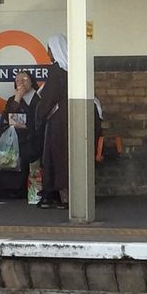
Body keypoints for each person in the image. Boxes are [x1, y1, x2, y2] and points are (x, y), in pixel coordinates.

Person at [35, 34, 102, 210]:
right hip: (72, 120)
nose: (48, 54)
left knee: (57, 157)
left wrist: (39, 114)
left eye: (49, 50)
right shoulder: (74, 70)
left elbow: (48, 98)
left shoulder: (57, 71)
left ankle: (63, 197)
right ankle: (68, 195)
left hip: (58, 122)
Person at [0, 71, 42, 198]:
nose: (21, 83)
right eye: (17, 81)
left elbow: (41, 118)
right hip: (16, 135)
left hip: (34, 135)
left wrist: (27, 126)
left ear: (31, 81)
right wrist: (17, 98)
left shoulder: (39, 97)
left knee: (26, 149)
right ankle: (5, 188)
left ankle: (20, 188)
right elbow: (8, 116)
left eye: (24, 79)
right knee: (1, 150)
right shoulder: (13, 99)